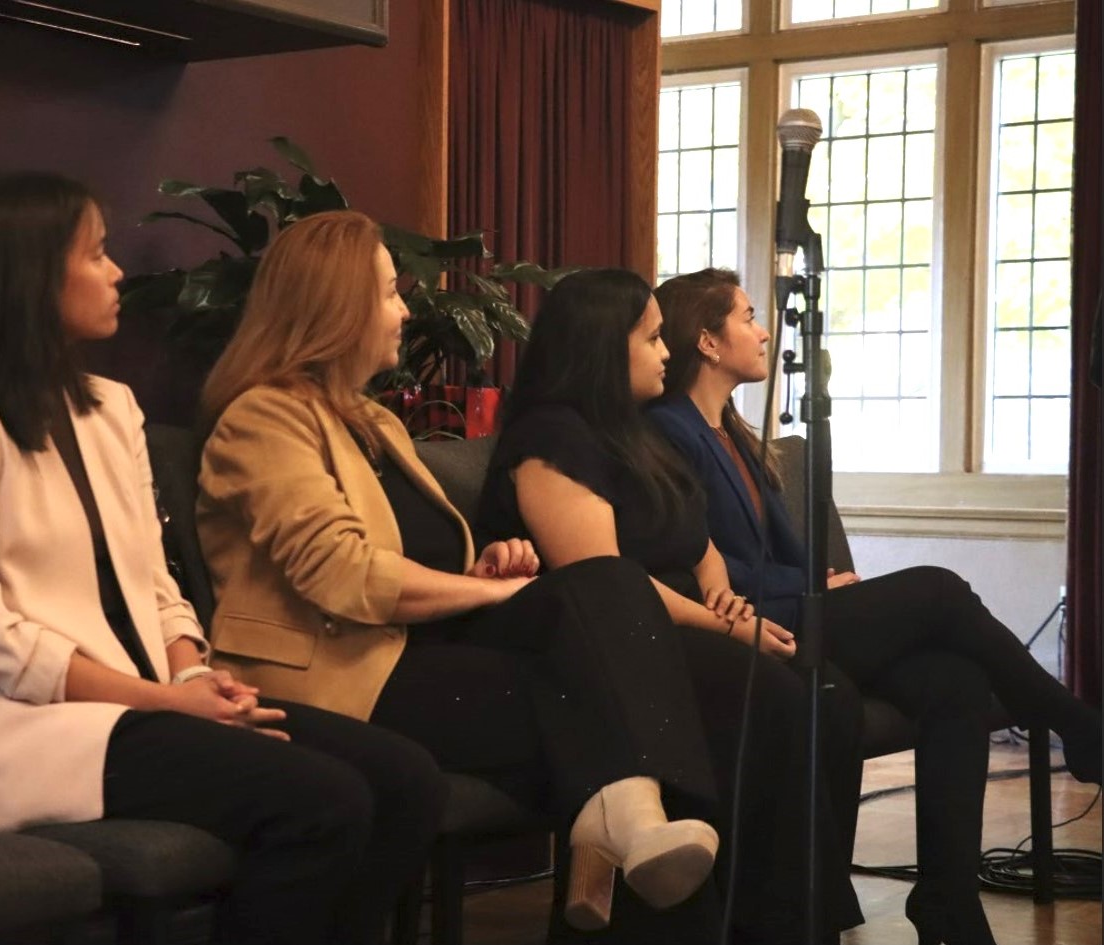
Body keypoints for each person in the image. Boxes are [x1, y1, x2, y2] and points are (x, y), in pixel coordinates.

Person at [0, 172, 447, 945]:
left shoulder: (110, 408)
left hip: (146, 703)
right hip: (33, 732)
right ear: (36, 271)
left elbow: (155, 580)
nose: (116, 272)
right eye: (98, 253)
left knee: (405, 779)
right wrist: (163, 702)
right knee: (323, 799)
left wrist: (190, 676)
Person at [196, 210, 727, 939]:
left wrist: (480, 563)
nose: (404, 310)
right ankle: (628, 818)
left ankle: (629, 817)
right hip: (337, 675)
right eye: (388, 293)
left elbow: (415, 556)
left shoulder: (373, 423)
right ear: (335, 305)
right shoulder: (262, 419)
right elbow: (343, 573)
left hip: (416, 653)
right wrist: (494, 589)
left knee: (605, 590)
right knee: (601, 698)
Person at [650, 266, 1104, 945]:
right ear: (708, 342)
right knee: (937, 588)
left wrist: (823, 581)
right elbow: (702, 562)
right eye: (747, 316)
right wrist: (806, 590)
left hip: (796, 604)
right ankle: (1074, 722)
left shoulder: (736, 435)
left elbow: (779, 548)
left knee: (955, 682)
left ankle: (947, 897)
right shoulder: (668, 430)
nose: (764, 329)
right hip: (751, 625)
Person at [477, 267, 866, 944]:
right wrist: (726, 624)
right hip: (591, 649)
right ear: (604, 346)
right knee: (765, 696)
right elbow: (605, 581)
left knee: (815, 694)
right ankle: (760, 923)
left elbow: (696, 540)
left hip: (670, 623)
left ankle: (791, 922)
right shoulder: (550, 437)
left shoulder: (625, 434)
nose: (666, 352)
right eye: (652, 337)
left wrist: (724, 597)